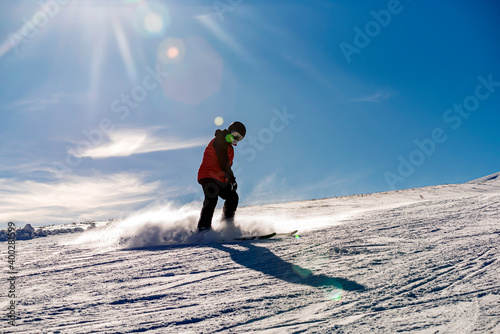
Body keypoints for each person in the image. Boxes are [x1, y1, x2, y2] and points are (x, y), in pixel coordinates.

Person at [197, 121, 246, 231]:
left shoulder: (230, 148)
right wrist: (232, 179)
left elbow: (225, 167)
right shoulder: (220, 140)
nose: (236, 139)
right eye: (235, 135)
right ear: (230, 131)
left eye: (239, 138)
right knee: (212, 197)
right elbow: (223, 162)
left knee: (232, 197)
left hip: (218, 178)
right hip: (207, 175)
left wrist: (229, 181)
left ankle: (227, 226)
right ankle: (203, 228)